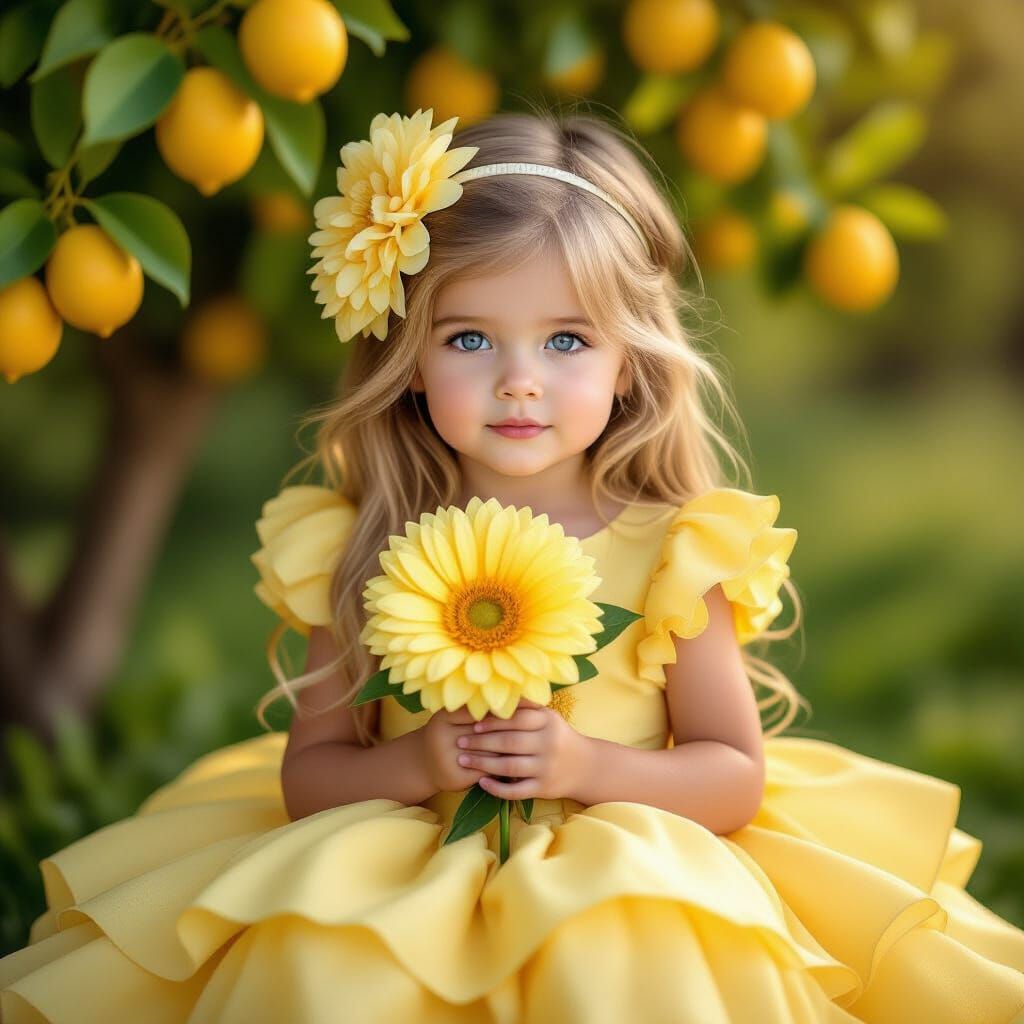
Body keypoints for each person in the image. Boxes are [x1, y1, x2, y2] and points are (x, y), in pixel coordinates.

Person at [2, 106, 1023, 1024]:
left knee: (634, 966)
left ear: (630, 362)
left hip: (625, 860)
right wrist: (417, 763)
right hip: (402, 862)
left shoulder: (670, 547)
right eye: (471, 338)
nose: (520, 383)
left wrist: (587, 769)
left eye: (568, 340)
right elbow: (312, 773)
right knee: (319, 962)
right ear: (407, 357)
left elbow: (733, 772)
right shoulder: (358, 543)